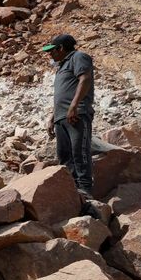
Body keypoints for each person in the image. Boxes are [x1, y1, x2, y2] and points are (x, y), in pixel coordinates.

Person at [43, 34, 95, 196]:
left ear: (61, 48)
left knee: (79, 151)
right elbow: (62, 93)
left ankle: (85, 189)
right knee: (64, 155)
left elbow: (85, 79)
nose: (49, 54)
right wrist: (52, 117)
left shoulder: (78, 57)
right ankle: (72, 190)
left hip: (76, 114)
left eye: (52, 50)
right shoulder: (61, 66)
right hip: (61, 117)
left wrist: (74, 106)